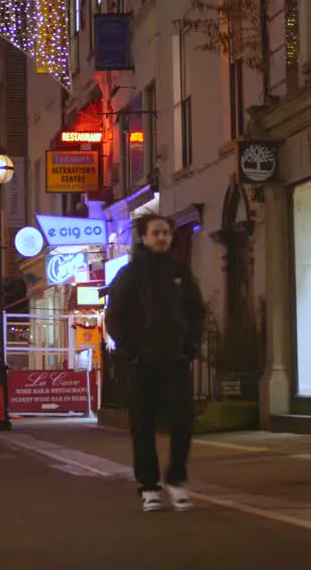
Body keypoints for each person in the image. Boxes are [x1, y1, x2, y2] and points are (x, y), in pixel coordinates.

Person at [105, 213, 205, 513]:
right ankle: (149, 487)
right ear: (144, 237)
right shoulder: (129, 274)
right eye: (156, 233)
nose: (163, 238)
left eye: (166, 233)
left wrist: (190, 347)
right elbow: (114, 318)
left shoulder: (180, 272)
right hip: (141, 364)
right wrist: (131, 351)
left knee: (183, 420)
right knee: (143, 427)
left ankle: (176, 478)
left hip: (175, 360)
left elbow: (196, 311)